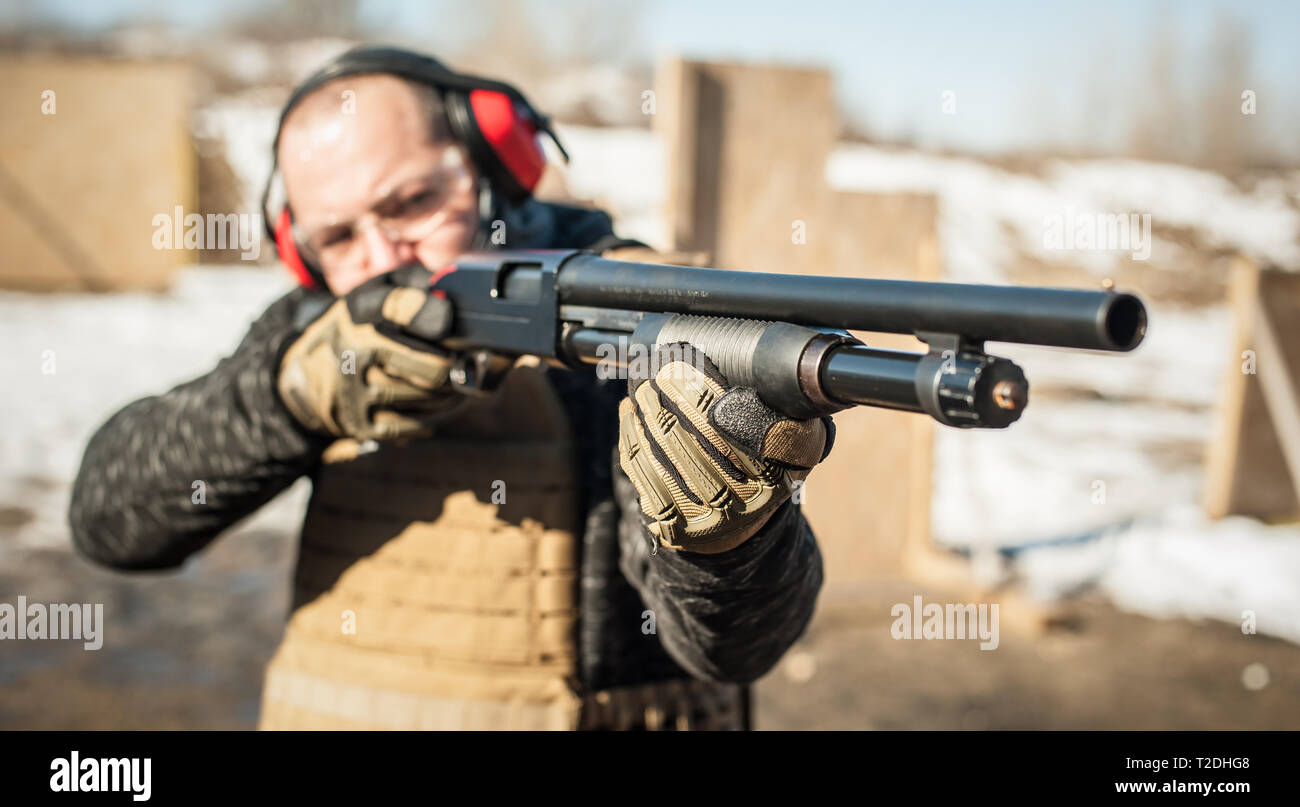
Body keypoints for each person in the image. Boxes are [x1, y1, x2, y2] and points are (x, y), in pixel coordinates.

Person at [68, 46, 833, 730]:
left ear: (492, 166)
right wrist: (288, 399)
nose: (378, 256)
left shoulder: (622, 317)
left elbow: (739, 646)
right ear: (299, 255)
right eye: (337, 237)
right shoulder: (313, 329)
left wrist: (728, 543)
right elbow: (108, 518)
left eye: (410, 204)